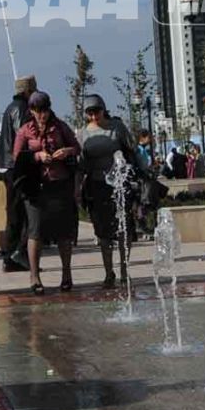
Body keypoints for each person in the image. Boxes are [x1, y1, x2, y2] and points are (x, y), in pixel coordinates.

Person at [13, 91, 81, 293]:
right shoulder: (25, 130)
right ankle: (35, 277)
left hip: (59, 184)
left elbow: (76, 146)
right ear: (31, 111)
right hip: (35, 186)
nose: (42, 114)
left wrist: (66, 151)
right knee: (35, 231)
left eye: (45, 109)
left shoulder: (59, 126)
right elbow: (17, 156)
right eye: (37, 110)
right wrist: (37, 156)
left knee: (63, 232)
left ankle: (66, 274)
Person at [74, 94, 136, 289]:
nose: (94, 117)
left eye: (97, 112)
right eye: (90, 113)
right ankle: (109, 272)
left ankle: (125, 271)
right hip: (96, 186)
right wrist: (77, 188)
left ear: (104, 110)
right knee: (103, 232)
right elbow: (80, 164)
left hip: (119, 184)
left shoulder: (117, 128)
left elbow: (131, 151)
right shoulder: (83, 134)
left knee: (123, 228)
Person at [0, 75, 35, 272]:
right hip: (17, 166)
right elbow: (23, 135)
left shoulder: (10, 107)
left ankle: (11, 256)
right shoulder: (21, 109)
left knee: (13, 212)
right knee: (21, 212)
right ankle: (16, 253)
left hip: (8, 165)